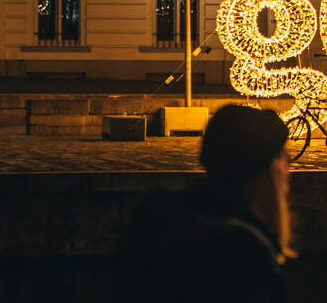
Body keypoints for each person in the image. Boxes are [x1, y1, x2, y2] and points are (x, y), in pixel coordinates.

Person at [121, 105, 295, 303]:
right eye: (280, 153)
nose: (289, 158)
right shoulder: (244, 251)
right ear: (259, 168)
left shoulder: (155, 217)